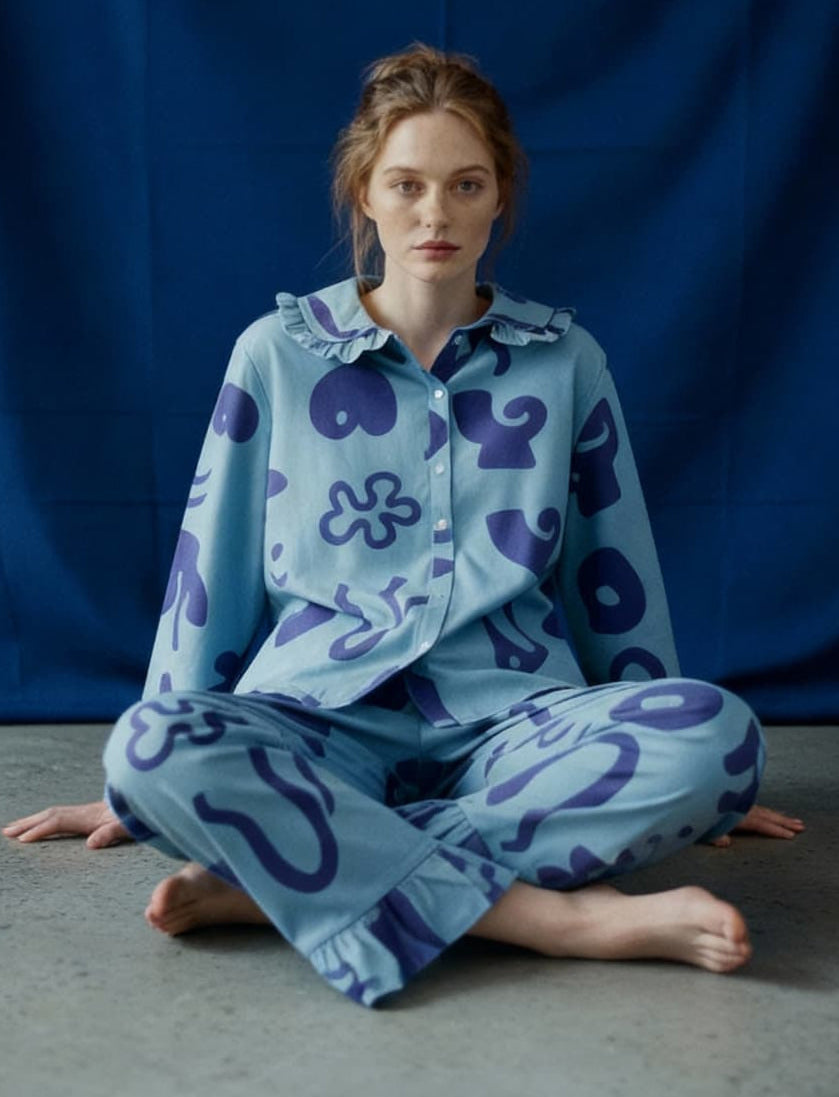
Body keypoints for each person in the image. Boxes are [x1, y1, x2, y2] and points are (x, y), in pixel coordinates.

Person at [4, 45, 803, 1006]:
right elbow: (208, 569)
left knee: (716, 733)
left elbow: (611, 569)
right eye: (407, 184)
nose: (436, 214)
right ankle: (550, 918)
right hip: (316, 719)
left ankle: (288, 879)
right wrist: (137, 789)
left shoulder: (564, 361)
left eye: (466, 185)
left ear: (499, 196)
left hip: (513, 721)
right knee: (148, 747)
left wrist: (692, 772)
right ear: (364, 195)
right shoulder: (277, 355)